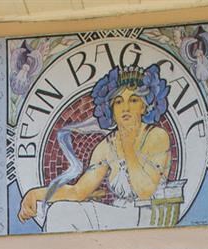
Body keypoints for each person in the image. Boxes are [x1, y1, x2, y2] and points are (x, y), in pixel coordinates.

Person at [18, 64, 172, 232]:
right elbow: (78, 192)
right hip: (119, 217)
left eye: (133, 100)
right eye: (118, 102)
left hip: (149, 218)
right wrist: (36, 194)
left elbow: (145, 191)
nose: (125, 108)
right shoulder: (107, 146)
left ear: (144, 106)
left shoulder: (156, 136)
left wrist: (128, 149)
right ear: (112, 109)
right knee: (59, 212)